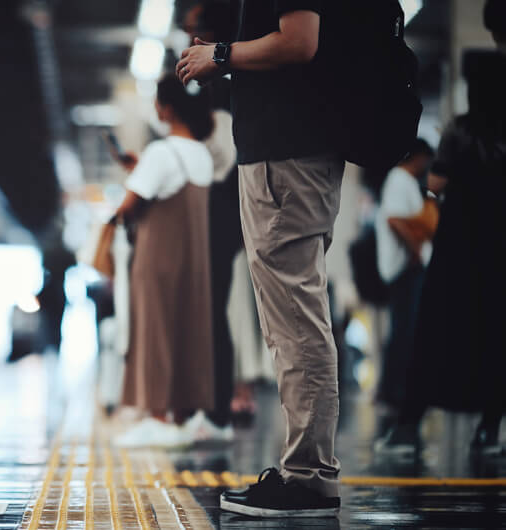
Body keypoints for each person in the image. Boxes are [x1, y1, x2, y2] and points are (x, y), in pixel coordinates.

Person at [176, 0, 343, 518]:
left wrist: (222, 56)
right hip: (287, 156)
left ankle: (309, 477)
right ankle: (306, 472)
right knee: (292, 319)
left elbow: (298, 41)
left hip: (284, 160)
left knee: (295, 321)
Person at [376, 7, 506, 456]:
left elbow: (436, 182)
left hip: (460, 244)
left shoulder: (463, 132)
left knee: (436, 331)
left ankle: (408, 427)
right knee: (496, 334)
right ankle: (490, 429)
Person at [112, 74, 225, 448]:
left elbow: (128, 207)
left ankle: (157, 416)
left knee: (155, 332)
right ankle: (179, 416)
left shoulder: (162, 152)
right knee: (187, 333)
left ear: (167, 107)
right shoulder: (202, 154)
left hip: (158, 255)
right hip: (194, 260)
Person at [180, 0, 243, 437]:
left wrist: (184, 159)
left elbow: (224, 155)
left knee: (211, 308)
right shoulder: (219, 86)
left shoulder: (220, 87)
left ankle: (215, 408)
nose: (187, 41)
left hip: (220, 213)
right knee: (208, 308)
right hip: (220, 212)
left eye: (193, 31)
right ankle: (209, 404)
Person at [374, 140, 434, 412]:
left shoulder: (405, 181)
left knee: (403, 329)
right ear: (418, 157)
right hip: (404, 267)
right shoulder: (399, 179)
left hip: (407, 265)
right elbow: (395, 220)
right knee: (402, 330)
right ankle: (393, 390)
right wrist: (415, 250)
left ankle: (395, 388)